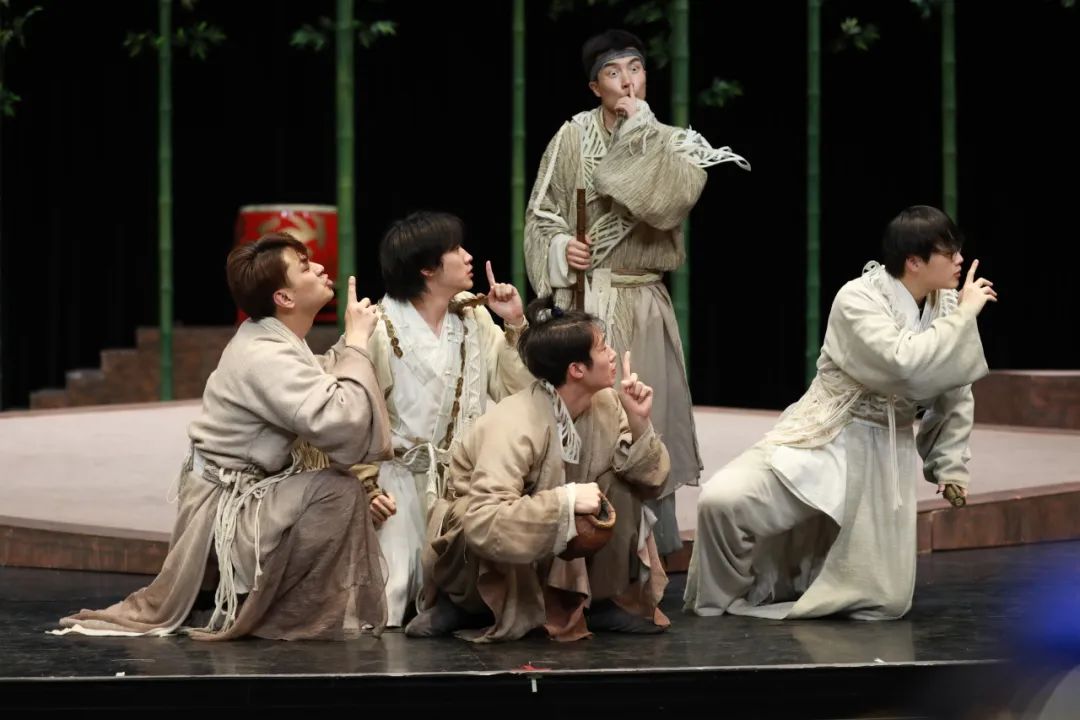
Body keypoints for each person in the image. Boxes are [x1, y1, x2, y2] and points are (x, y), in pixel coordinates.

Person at [54, 232, 393, 640]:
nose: (320, 268)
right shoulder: (264, 354)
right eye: (305, 266)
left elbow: (322, 381)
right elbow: (340, 421)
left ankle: (266, 603)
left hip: (250, 491)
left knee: (338, 488)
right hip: (226, 510)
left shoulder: (275, 337)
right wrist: (355, 343)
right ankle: (274, 614)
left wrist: (354, 343)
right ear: (284, 297)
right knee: (335, 492)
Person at [684, 205, 996, 620]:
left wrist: (949, 464)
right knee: (722, 500)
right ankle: (717, 604)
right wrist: (965, 316)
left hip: (884, 450)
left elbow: (956, 391)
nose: (960, 260)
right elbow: (904, 365)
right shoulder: (858, 298)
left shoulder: (948, 307)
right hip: (827, 430)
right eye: (949, 252)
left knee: (885, 601)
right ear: (914, 261)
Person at [523, 28, 750, 556]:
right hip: (582, 301)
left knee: (642, 420)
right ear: (594, 86)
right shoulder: (571, 137)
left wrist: (639, 132)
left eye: (635, 68)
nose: (626, 81)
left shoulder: (676, 142)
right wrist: (559, 249)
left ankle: (641, 555)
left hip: (640, 300)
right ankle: (579, 540)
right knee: (582, 423)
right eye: (612, 72)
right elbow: (541, 213)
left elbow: (664, 206)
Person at [405, 295, 671, 642]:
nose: (612, 354)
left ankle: (600, 600)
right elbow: (484, 520)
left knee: (624, 483)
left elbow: (652, 481)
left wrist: (638, 422)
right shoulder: (515, 422)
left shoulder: (606, 404)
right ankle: (470, 605)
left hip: (551, 529)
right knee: (471, 519)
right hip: (478, 542)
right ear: (576, 370)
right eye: (603, 347)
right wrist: (566, 501)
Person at [363, 210, 534, 627]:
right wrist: (364, 483)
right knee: (390, 597)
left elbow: (512, 388)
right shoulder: (377, 330)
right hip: (399, 482)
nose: (468, 256)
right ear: (427, 268)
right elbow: (351, 415)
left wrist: (514, 321)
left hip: (462, 481)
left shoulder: (473, 318)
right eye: (456, 249)